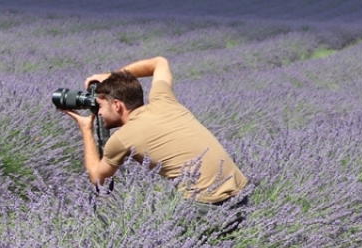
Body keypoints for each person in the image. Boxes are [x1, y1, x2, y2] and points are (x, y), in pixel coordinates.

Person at [59, 56, 248, 205]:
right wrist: (111, 75)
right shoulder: (163, 99)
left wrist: (86, 129)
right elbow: (159, 62)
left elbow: (97, 178)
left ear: (117, 105)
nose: (97, 112)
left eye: (99, 106)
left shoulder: (123, 138)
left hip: (207, 206)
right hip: (242, 194)